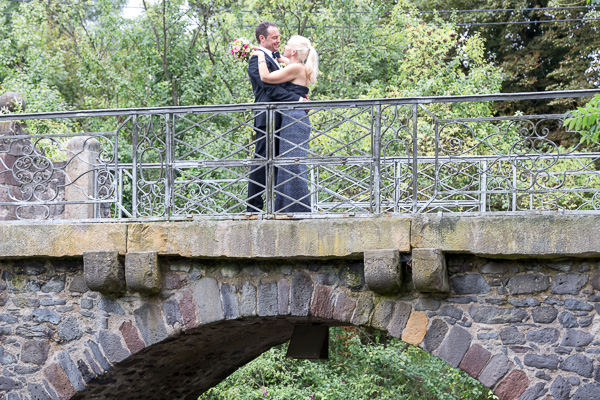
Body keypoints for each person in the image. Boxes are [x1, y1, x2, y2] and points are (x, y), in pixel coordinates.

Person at [252, 35, 318, 213]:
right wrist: (281, 58)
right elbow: (286, 63)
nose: (283, 46)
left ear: (294, 51)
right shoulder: (297, 66)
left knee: (291, 165)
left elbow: (265, 77)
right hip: (295, 117)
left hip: (293, 119)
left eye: (287, 44)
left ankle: (296, 209)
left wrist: (259, 55)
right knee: (288, 163)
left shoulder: (296, 68)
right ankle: (285, 208)